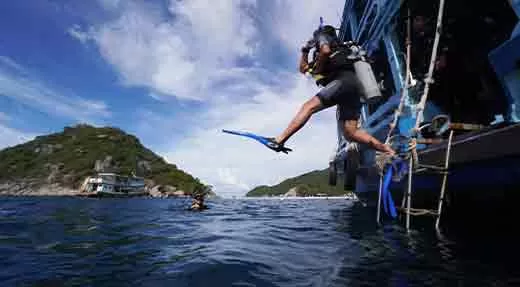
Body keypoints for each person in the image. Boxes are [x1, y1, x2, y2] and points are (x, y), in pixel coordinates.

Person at [266, 25, 395, 156]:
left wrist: (320, 44)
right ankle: (387, 150)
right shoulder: (341, 51)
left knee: (308, 107)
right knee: (351, 133)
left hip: (343, 83)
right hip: (355, 89)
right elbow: (303, 69)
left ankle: (279, 140)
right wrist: (305, 50)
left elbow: (325, 51)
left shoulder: (325, 44)